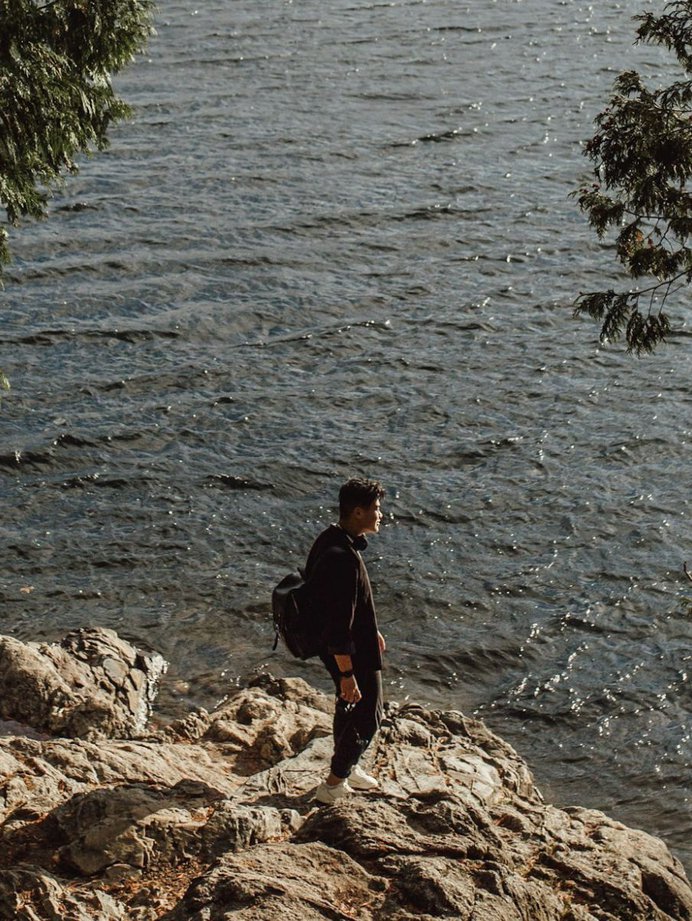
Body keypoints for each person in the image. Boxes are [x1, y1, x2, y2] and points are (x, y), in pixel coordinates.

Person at [305, 477, 387, 805]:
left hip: (344, 643)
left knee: (348, 705)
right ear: (357, 512)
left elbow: (345, 605)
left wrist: (372, 629)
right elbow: (339, 625)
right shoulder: (343, 558)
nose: (381, 515)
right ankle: (333, 783)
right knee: (369, 713)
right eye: (376, 509)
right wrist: (347, 674)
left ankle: (348, 766)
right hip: (348, 650)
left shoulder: (332, 539)